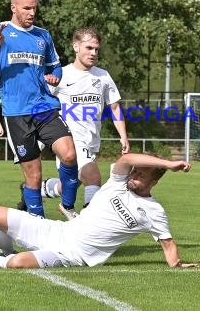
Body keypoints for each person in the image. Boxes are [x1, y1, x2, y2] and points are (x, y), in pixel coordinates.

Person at [0, 152, 199, 269]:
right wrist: (169, 164)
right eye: (134, 172)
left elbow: (168, 245)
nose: (133, 176)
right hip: (56, 231)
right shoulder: (117, 183)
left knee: (17, 265)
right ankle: (4, 251)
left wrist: (178, 265)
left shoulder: (154, 211)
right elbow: (127, 157)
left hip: (72, 255)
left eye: (141, 175)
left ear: (154, 182)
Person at [0, 0, 78, 218]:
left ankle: (68, 207)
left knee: (69, 154)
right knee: (34, 176)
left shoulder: (43, 36)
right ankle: (37, 228)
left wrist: (54, 77)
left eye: (34, 8)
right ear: (14, 8)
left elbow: (55, 67)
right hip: (16, 113)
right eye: (27, 8)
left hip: (44, 106)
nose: (32, 12)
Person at [28, 27, 130, 220]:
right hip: (70, 140)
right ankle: (89, 224)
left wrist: (123, 136)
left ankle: (43, 189)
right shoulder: (61, 75)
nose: (93, 53)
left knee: (71, 184)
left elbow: (115, 107)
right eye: (89, 48)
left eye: (96, 49)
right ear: (76, 46)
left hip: (91, 141)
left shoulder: (103, 76)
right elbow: (39, 104)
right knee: (93, 177)